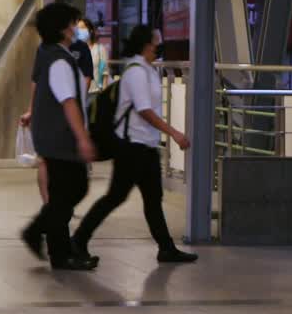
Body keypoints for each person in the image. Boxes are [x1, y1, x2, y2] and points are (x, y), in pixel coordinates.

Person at [72, 25, 198, 264]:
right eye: (157, 39)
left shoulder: (149, 70)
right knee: (115, 197)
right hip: (131, 148)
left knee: (152, 199)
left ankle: (166, 248)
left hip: (146, 147)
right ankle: (78, 240)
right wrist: (174, 133)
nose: (161, 43)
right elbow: (144, 110)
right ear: (147, 43)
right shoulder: (136, 71)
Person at [21, 3, 98, 271]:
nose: (75, 28)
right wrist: (83, 138)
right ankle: (36, 232)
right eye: (71, 23)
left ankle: (61, 253)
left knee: (62, 195)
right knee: (75, 188)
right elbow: (69, 103)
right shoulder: (59, 62)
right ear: (62, 29)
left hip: (54, 137)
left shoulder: (53, 54)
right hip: (60, 138)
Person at [78, 18, 109, 93]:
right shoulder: (75, 50)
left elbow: (104, 72)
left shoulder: (99, 49)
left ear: (90, 30)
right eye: (78, 28)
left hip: (95, 91)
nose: (79, 31)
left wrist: (103, 91)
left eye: (82, 28)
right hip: (79, 93)